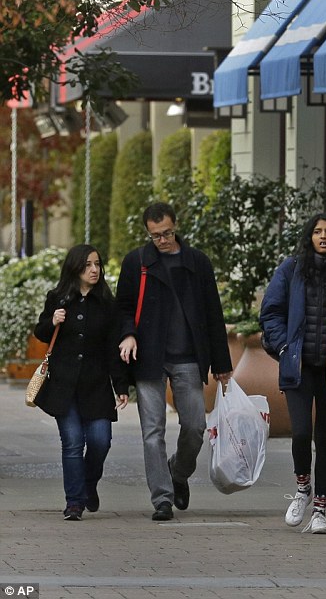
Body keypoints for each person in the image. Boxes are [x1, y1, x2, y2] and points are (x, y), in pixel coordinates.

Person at [116, 202, 232, 521]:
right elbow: (123, 308)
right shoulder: (136, 262)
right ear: (147, 233)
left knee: (195, 426)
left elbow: (212, 313)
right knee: (152, 431)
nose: (162, 240)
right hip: (149, 359)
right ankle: (162, 498)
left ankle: (177, 472)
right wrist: (128, 334)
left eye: (166, 233)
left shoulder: (197, 262)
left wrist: (221, 363)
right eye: (155, 236)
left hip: (188, 358)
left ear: (176, 226)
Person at [259, 212, 326, 535]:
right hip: (299, 366)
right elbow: (270, 312)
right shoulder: (291, 269)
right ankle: (303, 487)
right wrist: (282, 347)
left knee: (325, 438)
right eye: (318, 231)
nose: (323, 237)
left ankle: (320, 509)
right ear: (309, 237)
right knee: (302, 432)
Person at [33, 244, 130, 521]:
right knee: (73, 442)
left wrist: (121, 386)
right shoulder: (58, 297)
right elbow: (41, 333)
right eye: (88, 265)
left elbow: (113, 347)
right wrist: (52, 320)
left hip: (96, 385)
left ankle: (88, 484)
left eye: (97, 264)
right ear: (75, 268)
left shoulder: (106, 304)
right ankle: (74, 502)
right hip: (64, 385)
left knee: (101, 441)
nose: (94, 270)